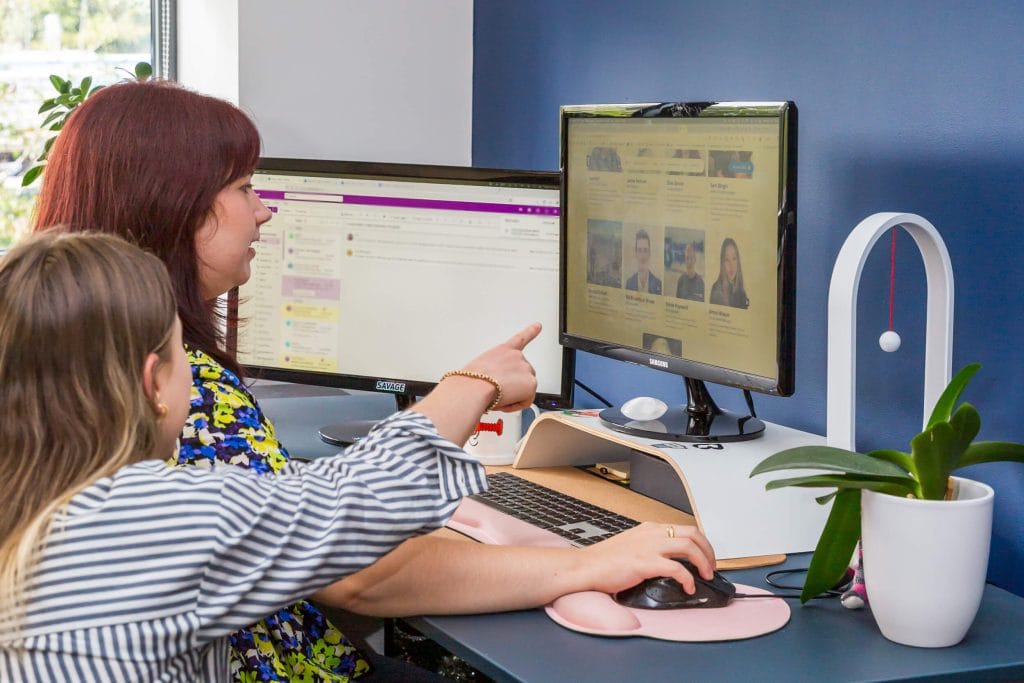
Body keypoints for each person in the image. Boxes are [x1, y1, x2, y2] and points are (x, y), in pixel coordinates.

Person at [31, 79, 717, 681]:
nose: (265, 209)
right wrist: (586, 558)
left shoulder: (48, 395)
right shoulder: (176, 457)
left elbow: (316, 512)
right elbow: (346, 551)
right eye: (244, 188)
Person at [0, 231, 511, 679]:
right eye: (182, 352)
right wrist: (476, 382)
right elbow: (359, 499)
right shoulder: (159, 518)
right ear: (153, 380)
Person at [709, 237, 749, 309]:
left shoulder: (741, 291)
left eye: (734, 258)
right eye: (727, 260)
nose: (731, 265)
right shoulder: (716, 292)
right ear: (722, 263)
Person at [624, 228, 662, 294]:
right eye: (639, 250)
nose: (642, 256)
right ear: (635, 253)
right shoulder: (629, 283)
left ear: (649, 253)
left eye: (645, 250)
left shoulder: (658, 283)